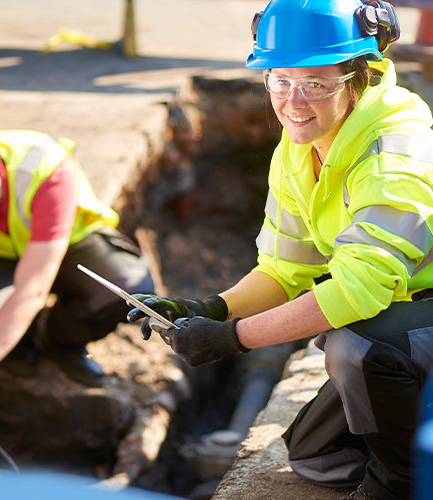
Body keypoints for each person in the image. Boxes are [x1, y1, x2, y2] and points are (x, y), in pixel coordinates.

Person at [127, 0, 433, 499]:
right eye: (280, 80)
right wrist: (211, 309)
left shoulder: (391, 156)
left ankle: (404, 484)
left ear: (360, 78)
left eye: (316, 83)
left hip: (410, 321)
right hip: (409, 323)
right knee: (317, 458)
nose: (294, 101)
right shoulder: (299, 147)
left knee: (356, 344)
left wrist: (233, 338)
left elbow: (359, 292)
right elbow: (286, 266)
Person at [0, 109, 154, 413]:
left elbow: (32, 291)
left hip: (66, 250)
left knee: (124, 290)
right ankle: (17, 349)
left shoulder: (45, 170)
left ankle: (60, 341)